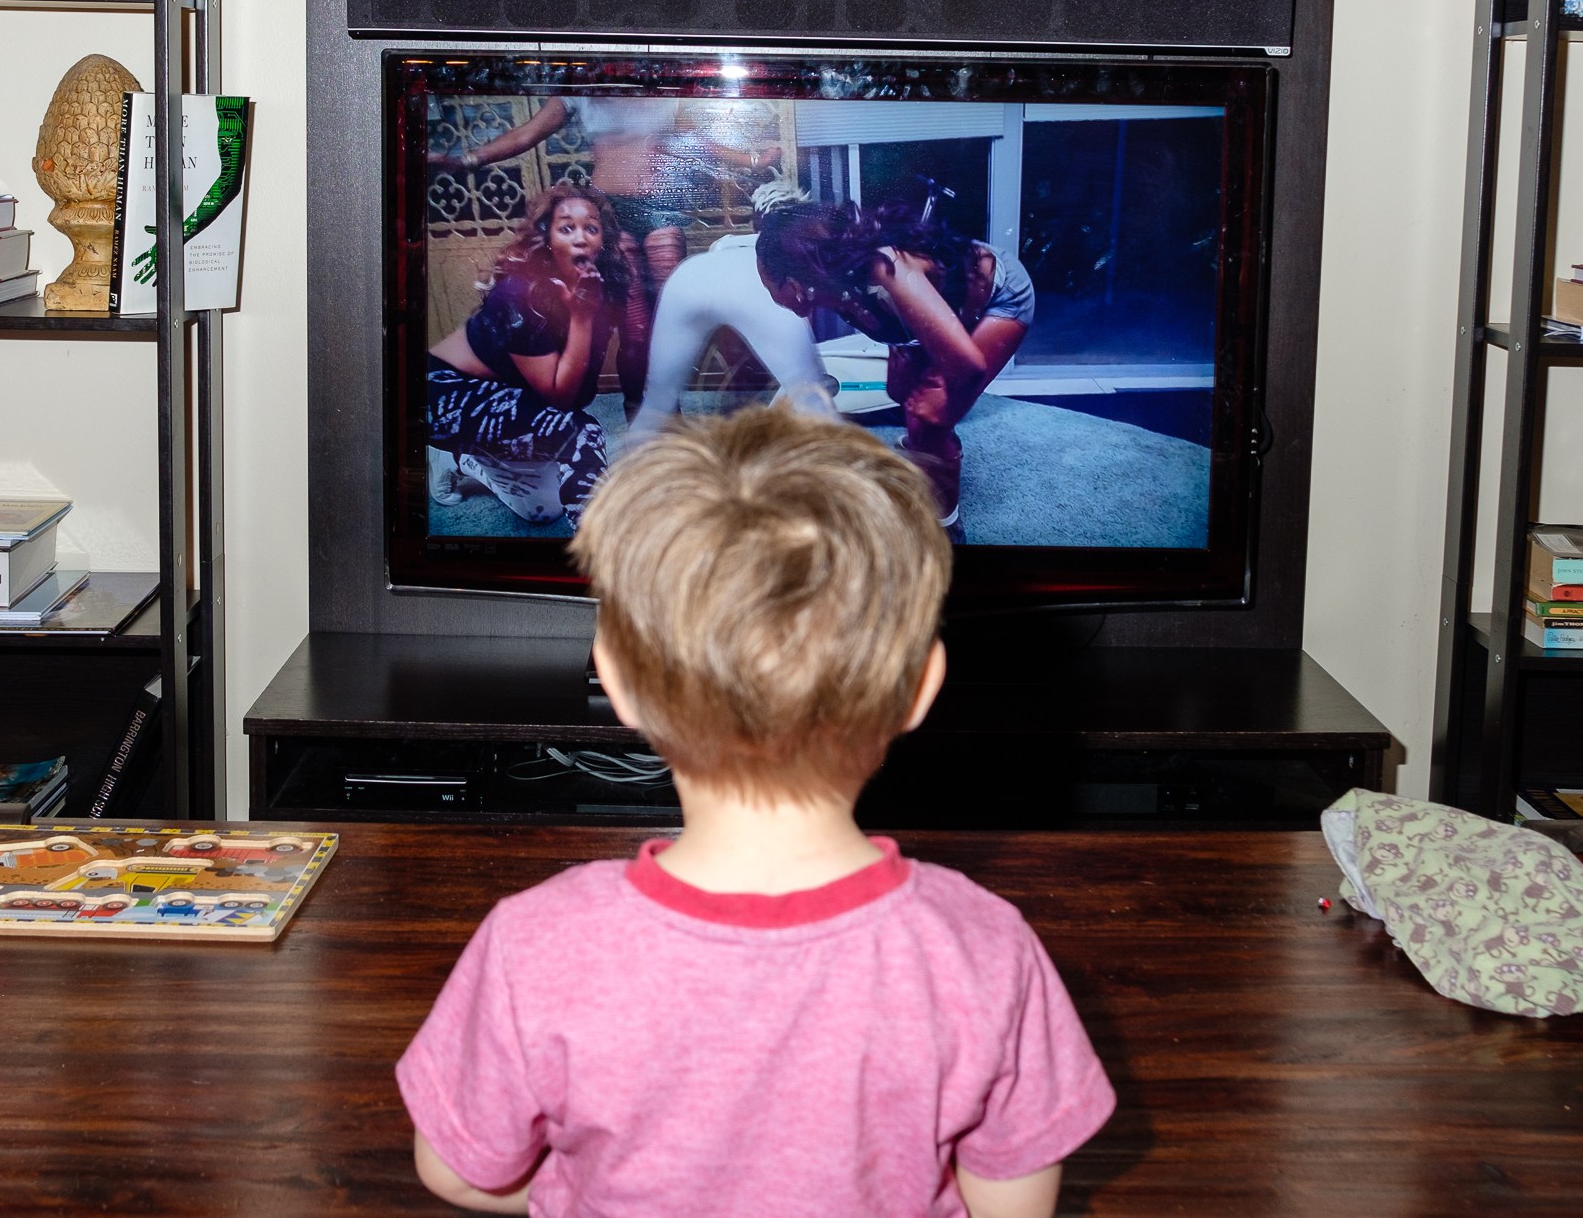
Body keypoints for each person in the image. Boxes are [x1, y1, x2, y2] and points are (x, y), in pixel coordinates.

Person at [398, 406, 1114, 1217]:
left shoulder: (532, 943)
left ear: (615, 679)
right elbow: (1013, 1207)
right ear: (921, 686)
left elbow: (458, 1171)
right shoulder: (984, 948)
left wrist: (584, 1190)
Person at [445, 96, 780, 405]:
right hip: (611, 212)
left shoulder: (660, 87)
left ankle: (668, 416)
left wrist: (753, 160)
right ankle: (641, 420)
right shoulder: (580, 91)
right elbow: (527, 134)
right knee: (635, 331)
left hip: (661, 209)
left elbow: (696, 140)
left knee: (671, 323)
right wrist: (467, 160)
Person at [753, 199, 1034, 539]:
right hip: (954, 302)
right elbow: (892, 323)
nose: (770, 296)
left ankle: (947, 532)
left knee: (926, 414)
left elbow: (969, 367)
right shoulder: (831, 283)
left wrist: (940, 411)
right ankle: (935, 449)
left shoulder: (888, 269)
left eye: (768, 286)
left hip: (999, 296)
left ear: (794, 285)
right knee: (899, 391)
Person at [427, 182, 629, 532]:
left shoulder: (602, 288)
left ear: (603, 240)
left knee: (543, 510)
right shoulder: (519, 293)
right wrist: (582, 318)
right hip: (441, 392)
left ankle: (465, 459)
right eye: (566, 228)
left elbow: (579, 393)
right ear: (547, 238)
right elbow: (562, 400)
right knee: (580, 435)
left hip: (508, 391)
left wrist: (585, 313)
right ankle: (598, 545)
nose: (580, 238)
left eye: (591, 228)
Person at [624, 178, 837, 446]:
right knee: (813, 399)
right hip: (750, 283)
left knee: (657, 400)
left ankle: (626, 466)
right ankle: (843, 464)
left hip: (688, 277)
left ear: (755, 219)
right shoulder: (785, 256)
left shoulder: (725, 244)